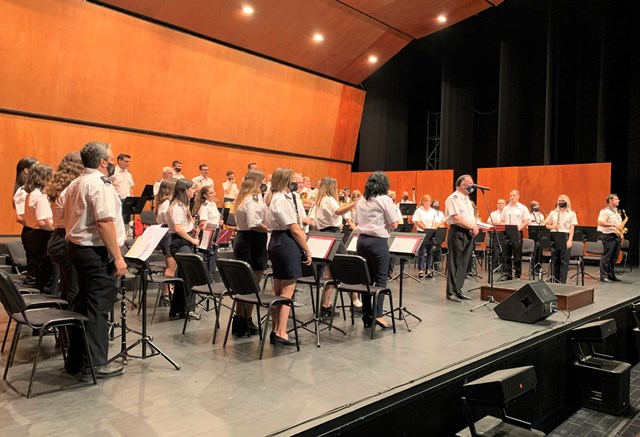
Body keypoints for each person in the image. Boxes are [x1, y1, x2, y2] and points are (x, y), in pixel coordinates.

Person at [64, 141, 127, 379]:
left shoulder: (76, 182)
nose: (112, 163)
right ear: (102, 162)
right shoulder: (99, 185)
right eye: (110, 159)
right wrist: (118, 258)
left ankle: (76, 360)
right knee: (98, 307)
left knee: (83, 303)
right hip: (94, 252)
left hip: (77, 249)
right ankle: (96, 363)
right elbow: (104, 222)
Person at [266, 168, 312, 346]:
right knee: (287, 290)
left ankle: (275, 328)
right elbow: (294, 228)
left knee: (277, 287)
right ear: (286, 180)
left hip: (276, 241)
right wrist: (307, 250)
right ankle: (282, 331)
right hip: (286, 242)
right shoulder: (282, 199)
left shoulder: (274, 197)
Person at [355, 171, 398, 328]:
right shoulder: (385, 200)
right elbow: (394, 224)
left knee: (366, 280)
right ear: (384, 185)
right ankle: (378, 315)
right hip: (378, 242)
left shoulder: (361, 200)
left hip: (361, 241)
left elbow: (356, 221)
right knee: (381, 278)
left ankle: (367, 314)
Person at [311, 177, 358, 316]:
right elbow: (338, 211)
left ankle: (325, 304)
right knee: (346, 266)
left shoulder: (319, 201)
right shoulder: (329, 199)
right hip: (333, 234)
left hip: (324, 234)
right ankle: (355, 301)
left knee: (330, 272)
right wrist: (354, 203)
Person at [231, 170, 268, 336]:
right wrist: (272, 229)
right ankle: (246, 320)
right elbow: (255, 224)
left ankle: (241, 320)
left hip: (244, 238)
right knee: (252, 284)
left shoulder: (244, 197)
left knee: (244, 284)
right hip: (252, 241)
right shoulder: (252, 200)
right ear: (258, 183)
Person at [45, 152, 84, 303]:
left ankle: (65, 323)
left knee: (67, 286)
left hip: (57, 237)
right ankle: (69, 324)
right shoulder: (70, 190)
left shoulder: (61, 187)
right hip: (64, 239)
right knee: (74, 288)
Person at [166, 179, 199, 318]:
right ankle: (187, 309)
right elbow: (178, 228)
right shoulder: (177, 207)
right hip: (180, 242)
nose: (194, 191)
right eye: (192, 189)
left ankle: (176, 309)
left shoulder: (184, 206)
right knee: (191, 273)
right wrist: (192, 239)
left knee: (183, 276)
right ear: (184, 190)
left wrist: (192, 229)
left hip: (184, 241)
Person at [23, 163, 57, 294]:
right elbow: (42, 221)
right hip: (43, 235)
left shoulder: (31, 194)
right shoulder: (41, 196)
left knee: (41, 271)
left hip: (34, 234)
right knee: (48, 274)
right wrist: (56, 228)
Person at [444, 175, 478, 302]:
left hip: (469, 232)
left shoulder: (467, 199)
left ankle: (458, 290)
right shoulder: (453, 198)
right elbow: (456, 218)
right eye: (470, 184)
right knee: (454, 262)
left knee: (464, 263)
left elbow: (470, 216)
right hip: (458, 232)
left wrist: (475, 226)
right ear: (463, 185)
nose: (472, 186)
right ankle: (451, 292)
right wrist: (472, 227)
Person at [13, 157, 38, 284]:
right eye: (36, 167)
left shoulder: (31, 190)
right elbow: (20, 217)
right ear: (27, 170)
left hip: (34, 231)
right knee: (34, 271)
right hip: (31, 232)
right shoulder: (23, 191)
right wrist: (37, 224)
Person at [545, 194, 578, 283]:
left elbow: (572, 228)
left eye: (562, 201)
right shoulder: (553, 212)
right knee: (555, 260)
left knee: (564, 261)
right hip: (555, 235)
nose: (560, 202)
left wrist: (570, 240)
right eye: (559, 201)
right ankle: (554, 280)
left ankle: (562, 282)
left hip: (565, 235)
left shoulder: (572, 213)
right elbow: (546, 224)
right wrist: (553, 226)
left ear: (567, 202)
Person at [155, 178, 178, 303]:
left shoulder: (165, 202)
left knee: (172, 266)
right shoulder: (167, 204)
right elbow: (169, 220)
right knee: (171, 267)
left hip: (165, 232)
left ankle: (167, 292)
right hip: (167, 233)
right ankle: (166, 294)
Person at [413, 195, 445, 278]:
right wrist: (425, 227)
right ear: (423, 202)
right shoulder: (418, 211)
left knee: (430, 251)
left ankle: (428, 269)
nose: (428, 203)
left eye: (429, 202)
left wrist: (434, 227)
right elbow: (417, 221)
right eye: (426, 202)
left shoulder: (433, 211)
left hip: (431, 232)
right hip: (422, 231)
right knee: (422, 251)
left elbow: (439, 221)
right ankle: (421, 270)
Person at [500, 189, 530, 280]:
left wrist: (519, 228)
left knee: (517, 254)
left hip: (517, 231)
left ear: (518, 196)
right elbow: (502, 220)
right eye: (511, 196)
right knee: (506, 254)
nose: (512, 197)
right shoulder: (506, 208)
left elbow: (527, 220)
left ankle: (517, 274)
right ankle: (507, 273)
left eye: (514, 196)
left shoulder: (522, 208)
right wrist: (503, 225)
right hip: (507, 231)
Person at [195, 185, 222, 277]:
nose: (214, 194)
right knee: (209, 257)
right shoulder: (204, 206)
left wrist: (219, 221)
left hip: (216, 230)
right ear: (205, 195)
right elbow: (203, 223)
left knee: (214, 257)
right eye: (211, 193)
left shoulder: (213, 204)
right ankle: (208, 280)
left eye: (214, 192)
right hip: (208, 232)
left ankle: (212, 278)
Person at [597, 194, 623, 283]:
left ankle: (611, 275)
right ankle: (603, 276)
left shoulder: (617, 211)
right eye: (616, 199)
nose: (618, 200)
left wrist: (621, 233)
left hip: (617, 236)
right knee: (606, 257)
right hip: (608, 236)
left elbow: (619, 224)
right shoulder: (605, 211)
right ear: (610, 201)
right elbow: (600, 222)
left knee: (614, 257)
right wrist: (613, 225)